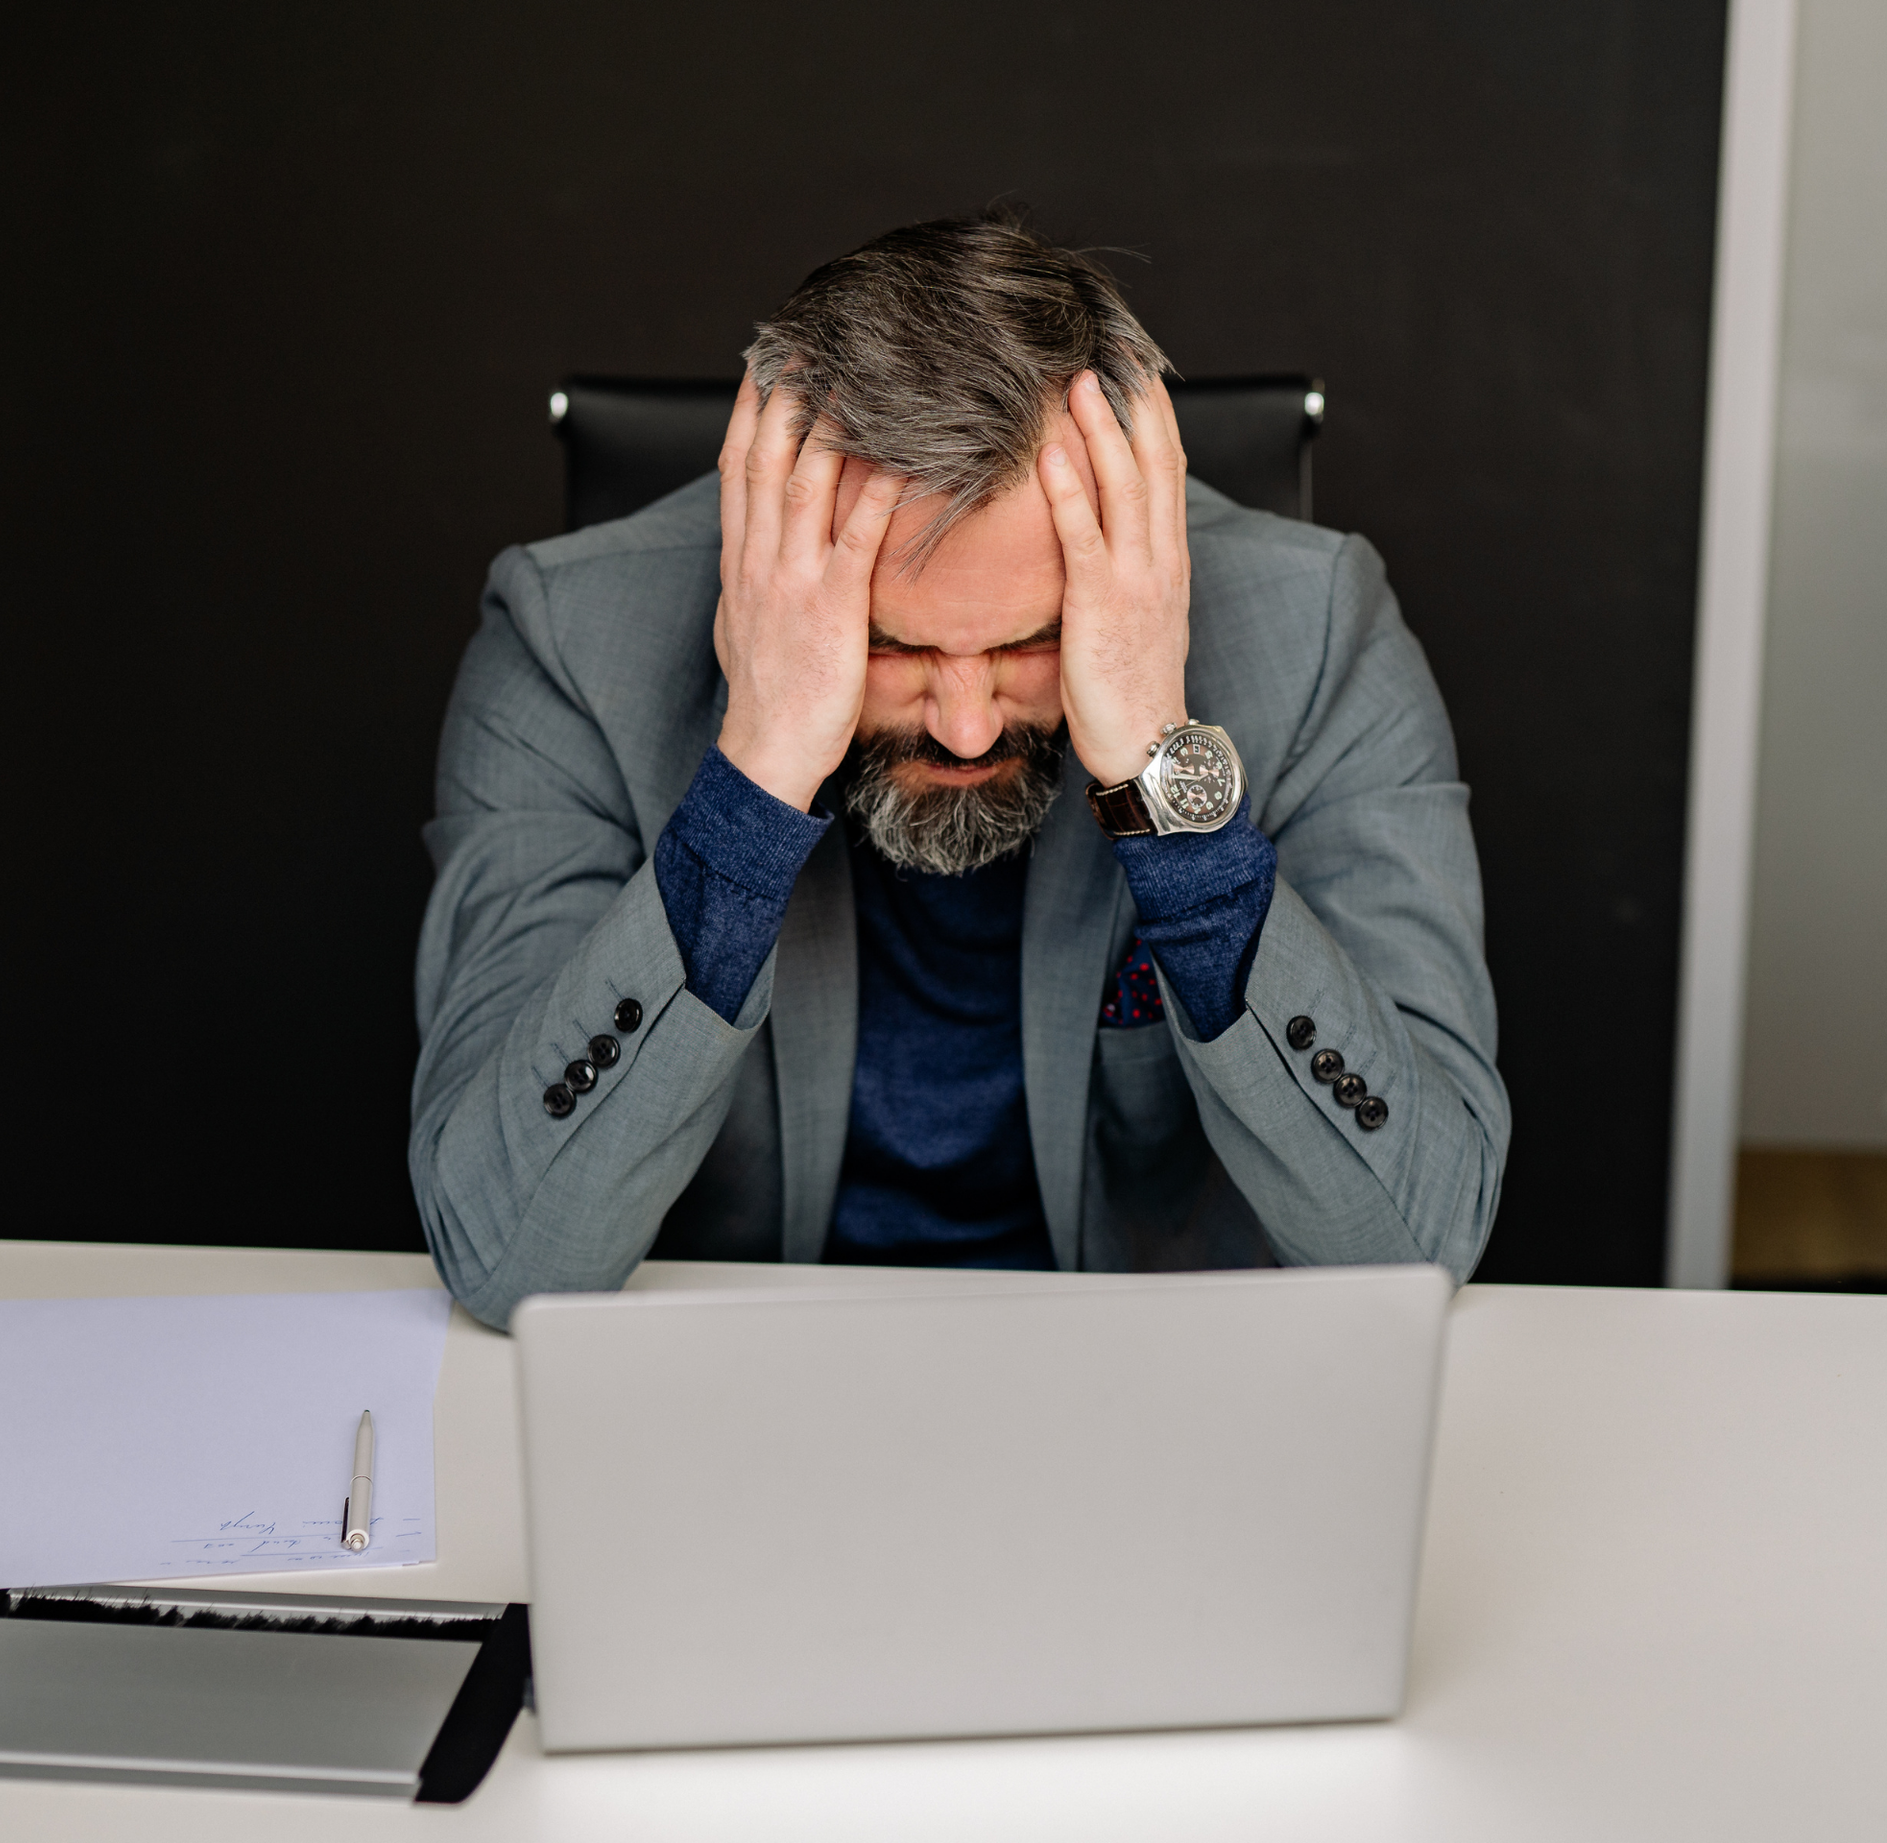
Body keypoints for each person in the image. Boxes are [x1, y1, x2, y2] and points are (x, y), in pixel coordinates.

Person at [410, 211, 1510, 1331]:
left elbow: (1417, 1241)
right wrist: (757, 773)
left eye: (1030, 641)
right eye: (894, 646)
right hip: (739, 1403)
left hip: (1148, 1407)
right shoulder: (567, 639)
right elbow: (504, 1254)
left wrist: (1164, 782)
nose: (972, 728)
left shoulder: (1319, 632)